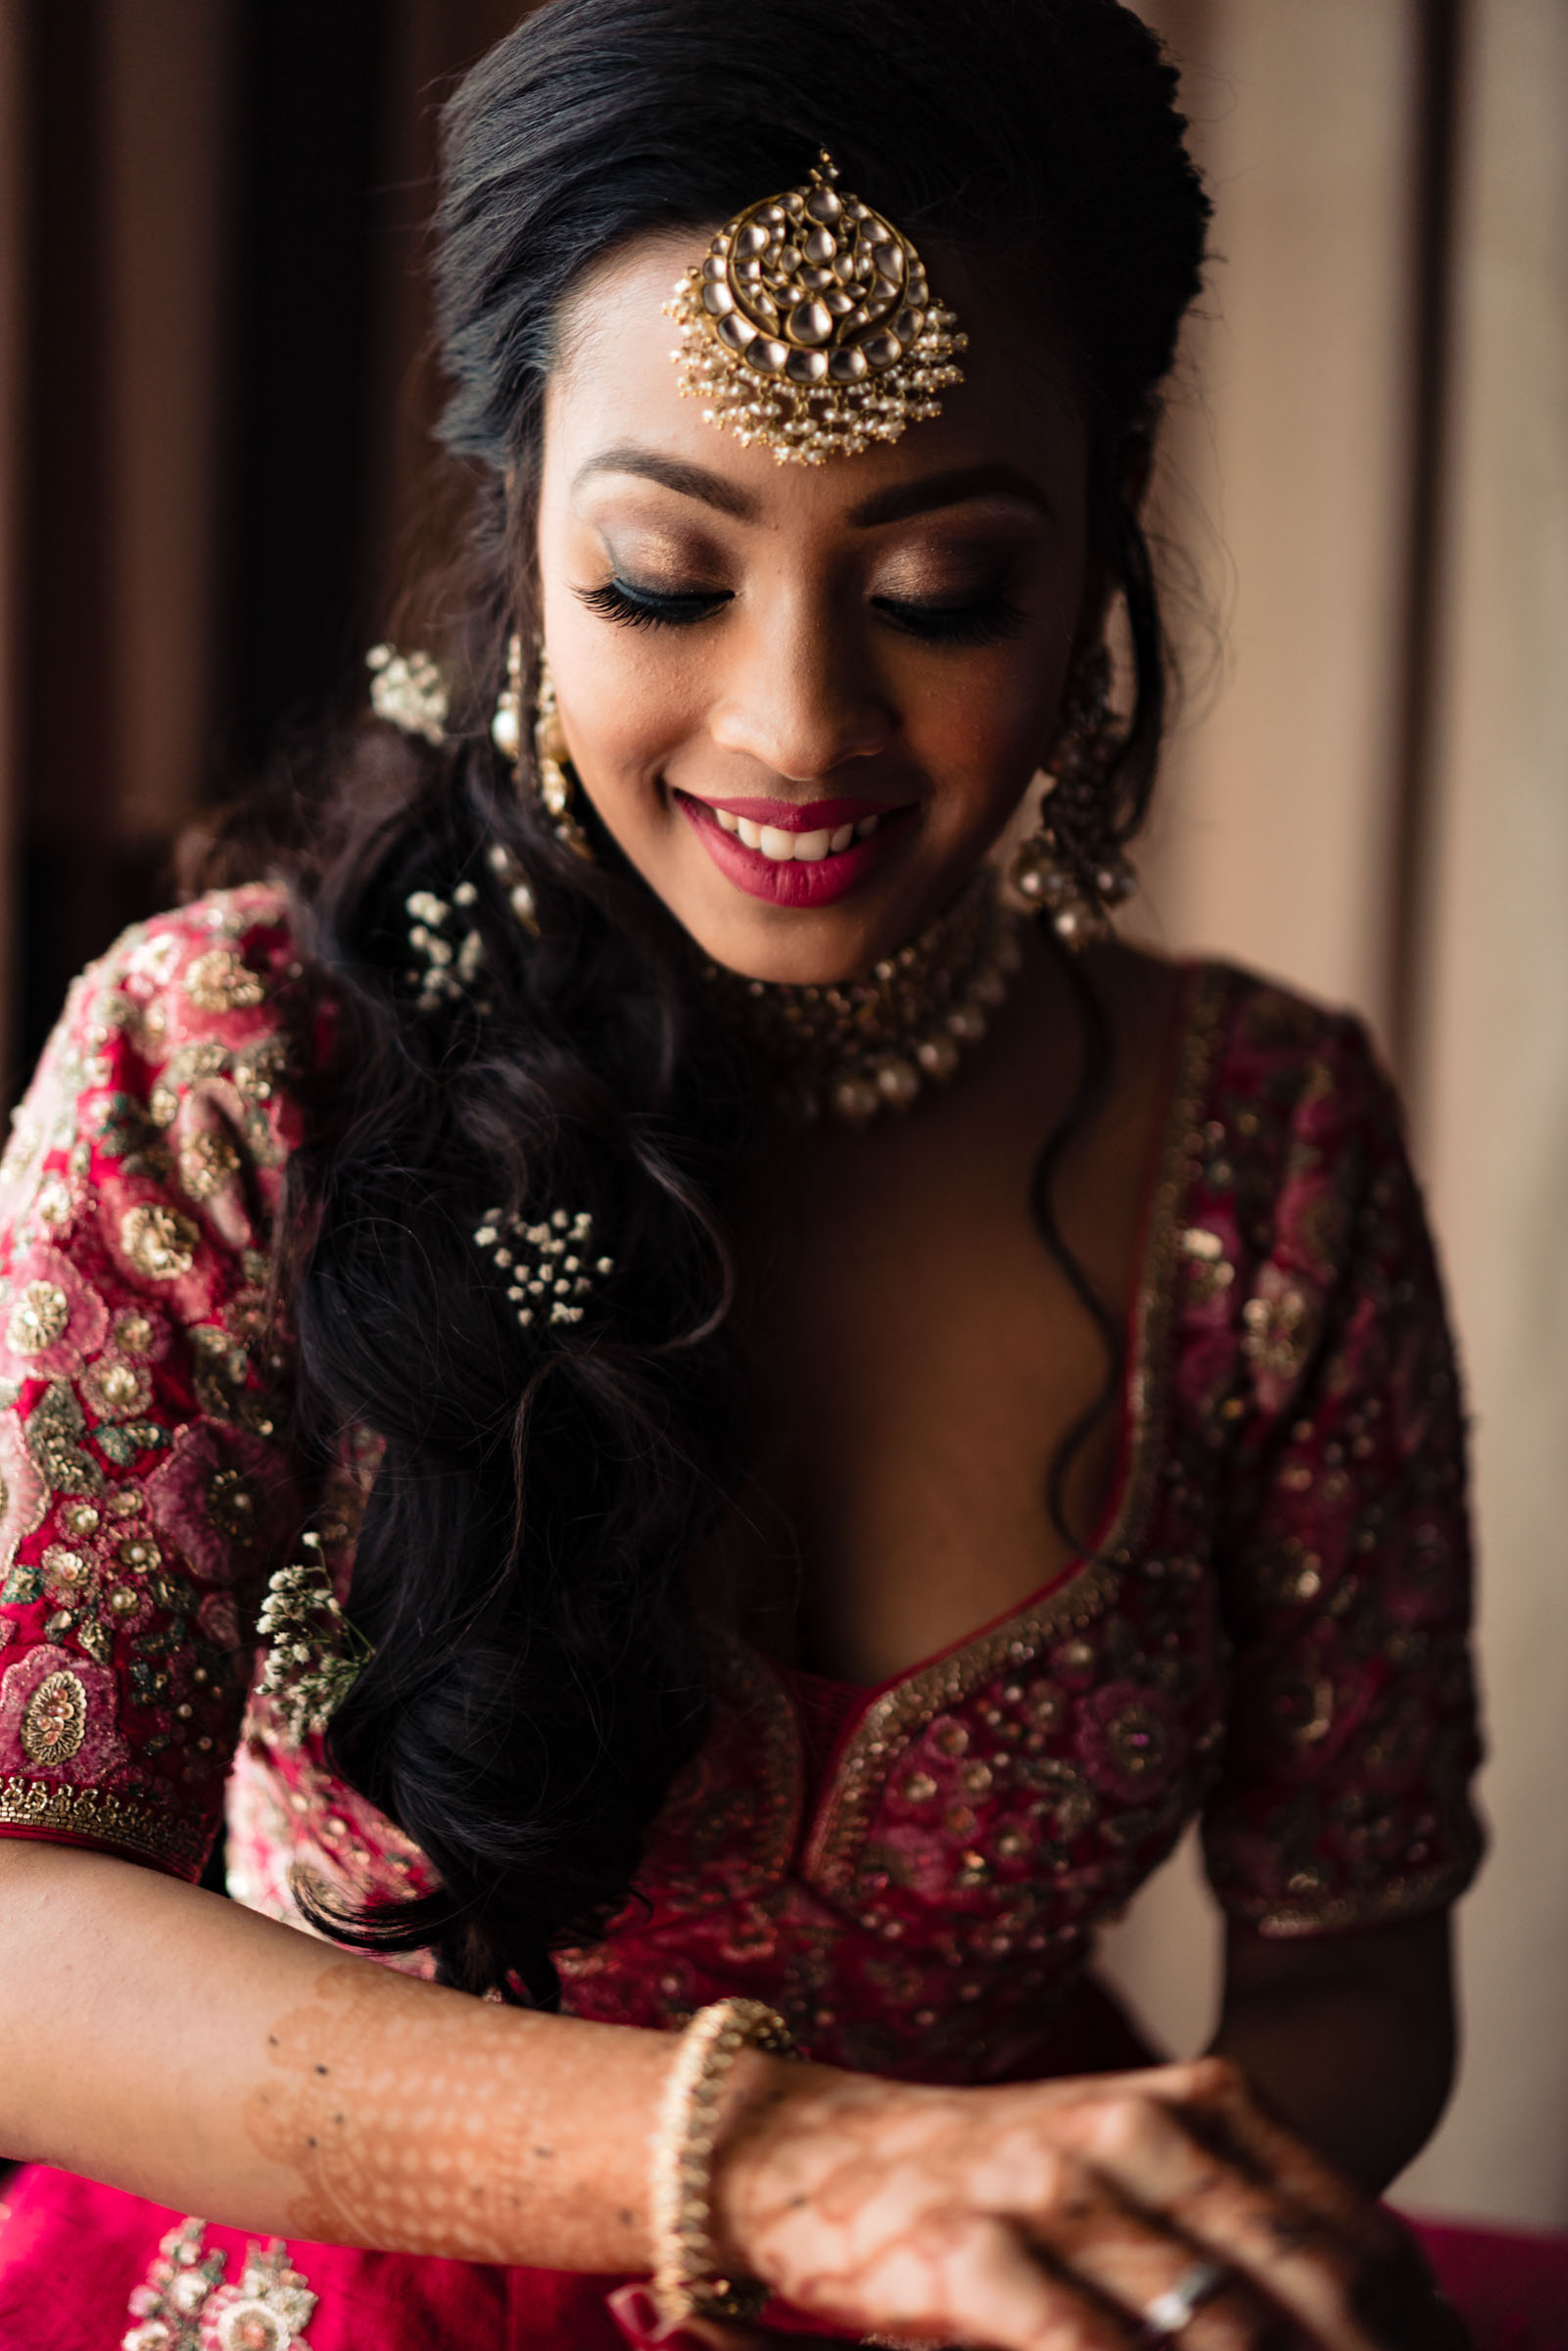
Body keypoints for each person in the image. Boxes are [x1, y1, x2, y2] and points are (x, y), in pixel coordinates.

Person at [0, 2, 1482, 2345]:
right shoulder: (231, 1074)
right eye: (666, 579)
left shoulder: (1264, 1153)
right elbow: (20, 1928)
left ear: (1106, 524)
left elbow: (1362, 1957)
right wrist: (782, 2164)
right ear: (524, 523)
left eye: (940, 590)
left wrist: (1121, 2251)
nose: (798, 726)